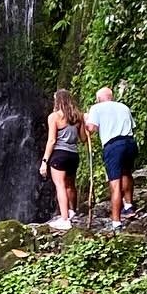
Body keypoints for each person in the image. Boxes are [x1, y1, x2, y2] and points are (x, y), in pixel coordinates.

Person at [84, 86, 138, 228]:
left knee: (115, 182)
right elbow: (132, 126)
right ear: (111, 96)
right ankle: (129, 206)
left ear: (99, 99)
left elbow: (92, 128)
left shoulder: (96, 108)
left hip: (113, 146)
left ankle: (116, 222)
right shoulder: (124, 107)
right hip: (130, 143)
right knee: (126, 173)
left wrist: (86, 120)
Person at [38, 91, 84, 231]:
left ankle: (64, 219)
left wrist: (44, 161)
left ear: (58, 101)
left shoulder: (54, 117)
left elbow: (52, 140)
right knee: (70, 185)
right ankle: (72, 211)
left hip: (59, 155)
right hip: (73, 155)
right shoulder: (78, 117)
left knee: (60, 185)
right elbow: (83, 138)